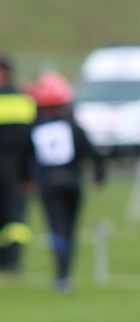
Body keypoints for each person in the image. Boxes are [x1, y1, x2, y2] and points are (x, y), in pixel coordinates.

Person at [27, 71, 105, 293]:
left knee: (56, 228)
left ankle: (61, 275)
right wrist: (99, 174)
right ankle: (66, 273)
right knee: (69, 228)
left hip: (49, 184)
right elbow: (93, 152)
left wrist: (26, 179)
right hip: (72, 182)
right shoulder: (72, 126)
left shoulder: (36, 127)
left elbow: (26, 156)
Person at [0, 55, 36, 273]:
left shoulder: (23, 100)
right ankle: (11, 262)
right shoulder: (25, 100)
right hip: (18, 167)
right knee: (14, 217)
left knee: (12, 217)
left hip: (15, 167)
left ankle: (9, 261)